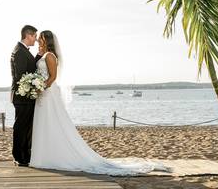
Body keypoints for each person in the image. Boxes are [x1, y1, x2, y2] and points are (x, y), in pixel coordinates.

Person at [29, 30, 167, 176]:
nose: (38, 40)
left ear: (47, 40)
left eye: (41, 38)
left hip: (48, 94)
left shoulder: (50, 56)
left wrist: (40, 88)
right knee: (44, 123)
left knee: (53, 122)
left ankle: (53, 156)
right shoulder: (43, 55)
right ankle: (44, 156)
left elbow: (53, 78)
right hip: (43, 94)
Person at [10, 25, 42, 166]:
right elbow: (20, 76)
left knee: (26, 127)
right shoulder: (19, 52)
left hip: (26, 95)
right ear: (28, 35)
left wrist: (39, 56)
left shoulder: (23, 51)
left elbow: (29, 68)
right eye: (34, 36)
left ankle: (25, 155)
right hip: (22, 96)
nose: (35, 39)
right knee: (21, 127)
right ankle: (18, 157)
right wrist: (33, 86)